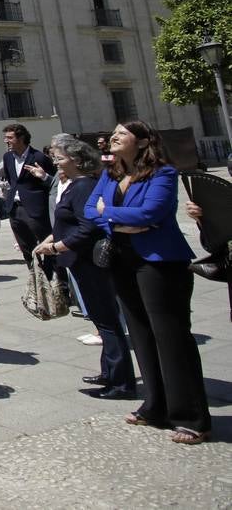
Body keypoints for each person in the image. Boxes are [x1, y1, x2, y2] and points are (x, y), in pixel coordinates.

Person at [86, 120, 211, 445]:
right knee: (140, 334)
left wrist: (109, 213)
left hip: (160, 262)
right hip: (123, 260)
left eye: (121, 134)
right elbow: (90, 210)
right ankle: (155, 406)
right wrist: (119, 218)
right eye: (113, 133)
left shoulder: (163, 174)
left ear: (142, 142)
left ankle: (191, 417)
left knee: (171, 338)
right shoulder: (109, 174)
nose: (113, 137)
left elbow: (150, 213)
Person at [31, 134, 135, 399]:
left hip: (89, 261)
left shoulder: (84, 186)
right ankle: (109, 373)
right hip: (79, 261)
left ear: (76, 160)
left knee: (107, 322)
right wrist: (52, 237)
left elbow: (87, 228)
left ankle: (121, 383)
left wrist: (55, 247)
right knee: (101, 320)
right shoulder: (76, 184)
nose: (55, 161)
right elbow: (71, 223)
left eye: (60, 157)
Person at [0, 124, 56, 267]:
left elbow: (53, 182)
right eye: (5, 138)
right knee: (25, 247)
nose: (6, 141)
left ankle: (54, 279)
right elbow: (12, 180)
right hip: (15, 209)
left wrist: (43, 177)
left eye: (10, 138)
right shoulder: (7, 157)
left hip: (34, 210)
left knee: (44, 245)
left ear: (21, 137)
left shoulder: (39, 157)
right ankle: (34, 276)